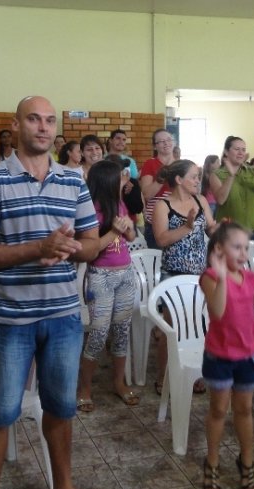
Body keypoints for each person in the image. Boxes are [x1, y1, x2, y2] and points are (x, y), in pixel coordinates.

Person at [0, 96, 108, 489]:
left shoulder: (72, 181)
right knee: (1, 412)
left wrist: (75, 247)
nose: (43, 128)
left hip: (63, 315)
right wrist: (37, 249)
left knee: (61, 407)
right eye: (33, 119)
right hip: (12, 319)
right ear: (16, 125)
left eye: (49, 121)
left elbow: (92, 241)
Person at [199, 222, 254, 489]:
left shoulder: (250, 278)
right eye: (237, 247)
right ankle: (211, 461)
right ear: (220, 249)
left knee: (245, 410)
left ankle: (247, 459)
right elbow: (218, 312)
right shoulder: (210, 277)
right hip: (220, 356)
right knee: (219, 410)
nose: (243, 253)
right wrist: (223, 278)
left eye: (246, 248)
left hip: (247, 354)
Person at [77, 157, 138, 413]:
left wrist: (127, 228)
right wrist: (114, 231)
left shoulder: (120, 204)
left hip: (125, 273)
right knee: (99, 333)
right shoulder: (90, 209)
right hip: (100, 275)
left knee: (122, 330)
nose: (124, 182)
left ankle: (119, 382)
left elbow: (132, 237)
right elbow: (90, 251)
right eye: (120, 178)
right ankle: (85, 388)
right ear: (107, 182)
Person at [152, 159, 218, 395]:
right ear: (179, 180)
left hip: (200, 274)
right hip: (174, 275)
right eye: (193, 177)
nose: (197, 181)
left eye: (199, 176)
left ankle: (196, 372)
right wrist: (187, 227)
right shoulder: (163, 206)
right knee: (172, 328)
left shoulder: (200, 201)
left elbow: (210, 226)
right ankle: (164, 377)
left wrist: (222, 229)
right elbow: (161, 239)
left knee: (201, 325)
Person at [211, 136, 254, 235]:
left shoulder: (252, 171)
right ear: (226, 152)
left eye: (243, 150)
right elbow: (221, 200)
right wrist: (231, 175)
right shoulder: (217, 174)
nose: (241, 153)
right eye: (237, 149)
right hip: (229, 231)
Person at [139, 129, 177, 249]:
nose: (166, 143)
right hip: (155, 223)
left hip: (179, 222)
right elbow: (146, 195)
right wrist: (162, 177)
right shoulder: (150, 164)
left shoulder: (181, 165)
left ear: (174, 143)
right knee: (156, 263)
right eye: (161, 141)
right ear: (155, 147)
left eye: (169, 140)